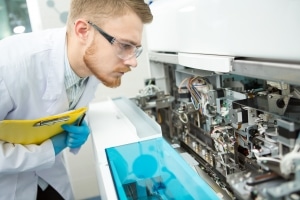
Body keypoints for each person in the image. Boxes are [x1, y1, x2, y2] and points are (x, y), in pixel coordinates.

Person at [0, 0, 153, 199]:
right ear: (83, 31)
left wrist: (80, 124)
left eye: (135, 49)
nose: (132, 61)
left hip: (50, 181)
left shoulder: (90, 63)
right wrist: (48, 149)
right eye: (124, 45)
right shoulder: (8, 65)